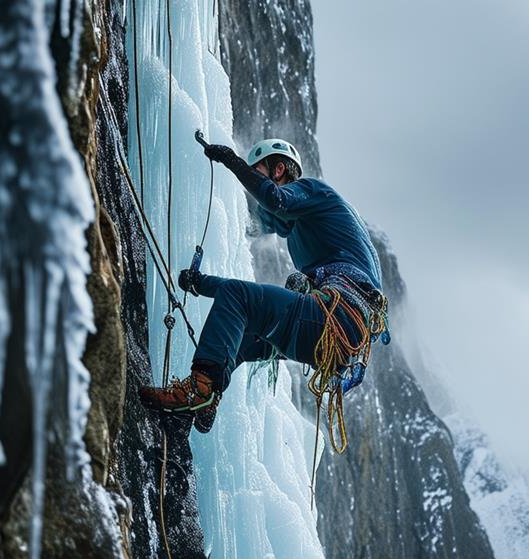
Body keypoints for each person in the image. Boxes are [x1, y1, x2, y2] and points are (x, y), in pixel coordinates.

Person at [140, 138, 388, 437]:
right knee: (242, 339)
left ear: (280, 169)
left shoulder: (315, 191)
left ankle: (200, 389)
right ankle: (203, 404)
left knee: (240, 298)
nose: (258, 192)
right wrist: (200, 284)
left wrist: (233, 161)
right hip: (334, 340)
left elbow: (276, 200)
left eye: (260, 174)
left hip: (336, 318)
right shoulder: (308, 234)